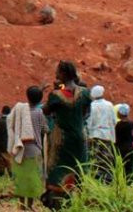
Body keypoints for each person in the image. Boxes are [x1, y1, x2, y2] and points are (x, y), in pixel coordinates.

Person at [43, 60, 91, 203]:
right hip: (80, 135)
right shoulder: (85, 93)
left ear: (63, 74)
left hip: (62, 138)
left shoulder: (56, 95)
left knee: (57, 166)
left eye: (58, 72)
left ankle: (57, 200)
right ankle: (78, 199)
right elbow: (85, 113)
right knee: (79, 165)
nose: (56, 74)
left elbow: (46, 110)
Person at [8, 86, 47, 208]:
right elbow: (45, 129)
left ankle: (21, 205)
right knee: (32, 178)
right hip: (34, 149)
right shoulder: (39, 112)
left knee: (21, 178)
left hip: (19, 149)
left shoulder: (18, 111)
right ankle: (30, 205)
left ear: (27, 97)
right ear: (40, 99)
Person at [87, 85, 116, 182]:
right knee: (107, 157)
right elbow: (113, 120)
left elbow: (89, 122)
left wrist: (89, 134)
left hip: (95, 135)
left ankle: (96, 178)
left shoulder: (91, 106)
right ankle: (108, 178)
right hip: (107, 135)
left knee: (95, 157)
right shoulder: (109, 105)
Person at [114, 103, 133, 178]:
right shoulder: (132, 124)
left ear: (120, 113)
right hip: (130, 148)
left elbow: (116, 137)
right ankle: (129, 182)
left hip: (120, 149)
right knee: (129, 167)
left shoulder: (118, 125)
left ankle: (121, 181)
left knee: (120, 166)